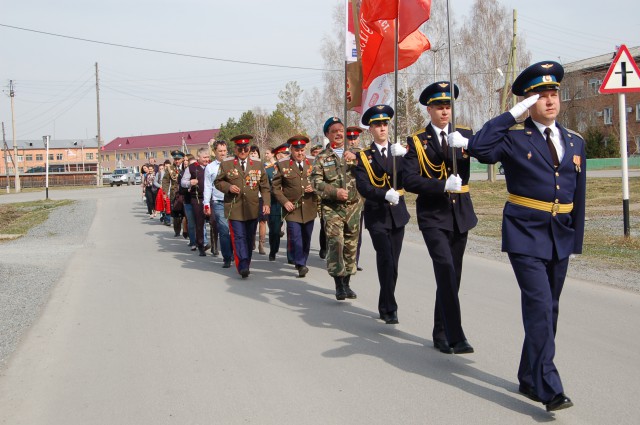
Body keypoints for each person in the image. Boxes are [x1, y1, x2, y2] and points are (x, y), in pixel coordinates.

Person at [450, 61, 585, 412]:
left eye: (553, 93)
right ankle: (549, 386)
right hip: (525, 232)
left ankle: (528, 374)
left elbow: (578, 195)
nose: (550, 100)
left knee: (549, 309)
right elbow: (479, 148)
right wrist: (511, 115)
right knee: (539, 305)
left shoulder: (574, 141)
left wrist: (577, 240)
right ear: (528, 102)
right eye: (541, 95)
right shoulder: (513, 137)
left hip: (560, 233)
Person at [403, 81, 476, 355]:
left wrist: (470, 145)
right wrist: (441, 185)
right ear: (429, 109)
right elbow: (409, 179)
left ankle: (440, 331)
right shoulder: (417, 141)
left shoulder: (465, 133)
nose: (445, 112)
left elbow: (489, 154)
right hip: (433, 214)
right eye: (439, 107)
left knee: (452, 276)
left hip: (460, 214)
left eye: (448, 106)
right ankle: (456, 335)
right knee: (445, 268)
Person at [354, 105, 410, 324]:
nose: (382, 128)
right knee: (385, 258)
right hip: (377, 214)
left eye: (385, 124)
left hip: (398, 215)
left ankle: (385, 300)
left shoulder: (399, 153)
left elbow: (409, 180)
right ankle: (389, 307)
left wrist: (405, 158)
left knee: (393, 263)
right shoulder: (364, 157)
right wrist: (383, 194)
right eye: (377, 125)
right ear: (370, 129)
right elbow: (363, 187)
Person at [310, 117, 363, 300]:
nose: (339, 134)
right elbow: (315, 182)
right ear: (327, 135)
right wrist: (334, 192)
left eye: (341, 130)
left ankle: (347, 283)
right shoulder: (322, 158)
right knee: (336, 243)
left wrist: (357, 159)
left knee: (350, 246)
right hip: (332, 208)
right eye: (334, 131)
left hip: (354, 207)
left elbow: (372, 171)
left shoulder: (357, 154)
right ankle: (338, 284)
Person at [214, 134, 271, 278]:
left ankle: (246, 261)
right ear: (235, 149)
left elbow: (265, 187)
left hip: (252, 208)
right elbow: (218, 182)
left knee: (249, 238)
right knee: (239, 237)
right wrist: (229, 187)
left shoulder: (258, 164)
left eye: (246, 148)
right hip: (234, 208)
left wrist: (266, 203)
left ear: (249, 148)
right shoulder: (226, 164)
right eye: (240, 149)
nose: (243, 151)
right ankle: (243, 265)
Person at [272, 135, 318, 278]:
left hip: (309, 207)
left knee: (306, 237)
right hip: (292, 208)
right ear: (291, 150)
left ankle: (302, 260)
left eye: (302, 150)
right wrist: (284, 201)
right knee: (295, 237)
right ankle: (300, 264)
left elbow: (322, 179)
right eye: (297, 150)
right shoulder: (282, 164)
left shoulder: (313, 162)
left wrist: (315, 186)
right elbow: (275, 187)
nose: (300, 153)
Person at [203, 141, 233, 268]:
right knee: (224, 230)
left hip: (233, 201)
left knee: (236, 230)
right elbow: (207, 186)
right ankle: (227, 257)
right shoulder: (210, 167)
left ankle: (237, 253)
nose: (223, 153)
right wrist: (206, 204)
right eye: (220, 151)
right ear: (215, 152)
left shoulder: (233, 164)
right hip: (219, 202)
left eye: (224, 151)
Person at [181, 147, 211, 256]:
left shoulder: (211, 166)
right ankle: (201, 245)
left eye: (208, 157)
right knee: (199, 222)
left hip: (211, 198)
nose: (207, 159)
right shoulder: (192, 168)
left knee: (214, 222)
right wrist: (190, 182)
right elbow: (183, 182)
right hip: (197, 198)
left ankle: (214, 246)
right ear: (198, 157)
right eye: (204, 157)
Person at [346, 125, 365, 271]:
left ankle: (354, 260)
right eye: (350, 138)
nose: (352, 141)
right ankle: (342, 259)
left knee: (356, 231)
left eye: (354, 138)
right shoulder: (340, 154)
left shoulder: (364, 154)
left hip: (361, 198)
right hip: (344, 198)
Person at [266, 144, 289, 261]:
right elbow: (266, 188)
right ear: (278, 155)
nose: (286, 156)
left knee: (292, 230)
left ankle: (292, 256)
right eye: (284, 154)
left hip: (291, 202)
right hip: (275, 203)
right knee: (274, 230)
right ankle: (273, 250)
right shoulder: (269, 170)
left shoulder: (292, 167)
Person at [162, 150, 186, 237]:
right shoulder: (170, 168)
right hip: (174, 194)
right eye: (175, 159)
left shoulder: (186, 167)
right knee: (176, 213)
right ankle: (177, 230)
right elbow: (165, 181)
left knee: (186, 213)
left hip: (185, 193)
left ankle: (186, 230)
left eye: (179, 159)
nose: (177, 161)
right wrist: (165, 192)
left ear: (182, 159)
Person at [310, 143, 327, 259]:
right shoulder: (308, 164)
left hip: (322, 197)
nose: (318, 154)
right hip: (311, 198)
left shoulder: (326, 163)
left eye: (319, 152)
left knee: (324, 222)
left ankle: (324, 247)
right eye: (315, 153)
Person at [249, 145, 268, 255]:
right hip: (251, 198)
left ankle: (261, 244)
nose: (253, 154)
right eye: (251, 153)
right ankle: (252, 241)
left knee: (262, 221)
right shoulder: (247, 166)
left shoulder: (264, 166)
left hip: (261, 197)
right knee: (252, 221)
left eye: (255, 153)